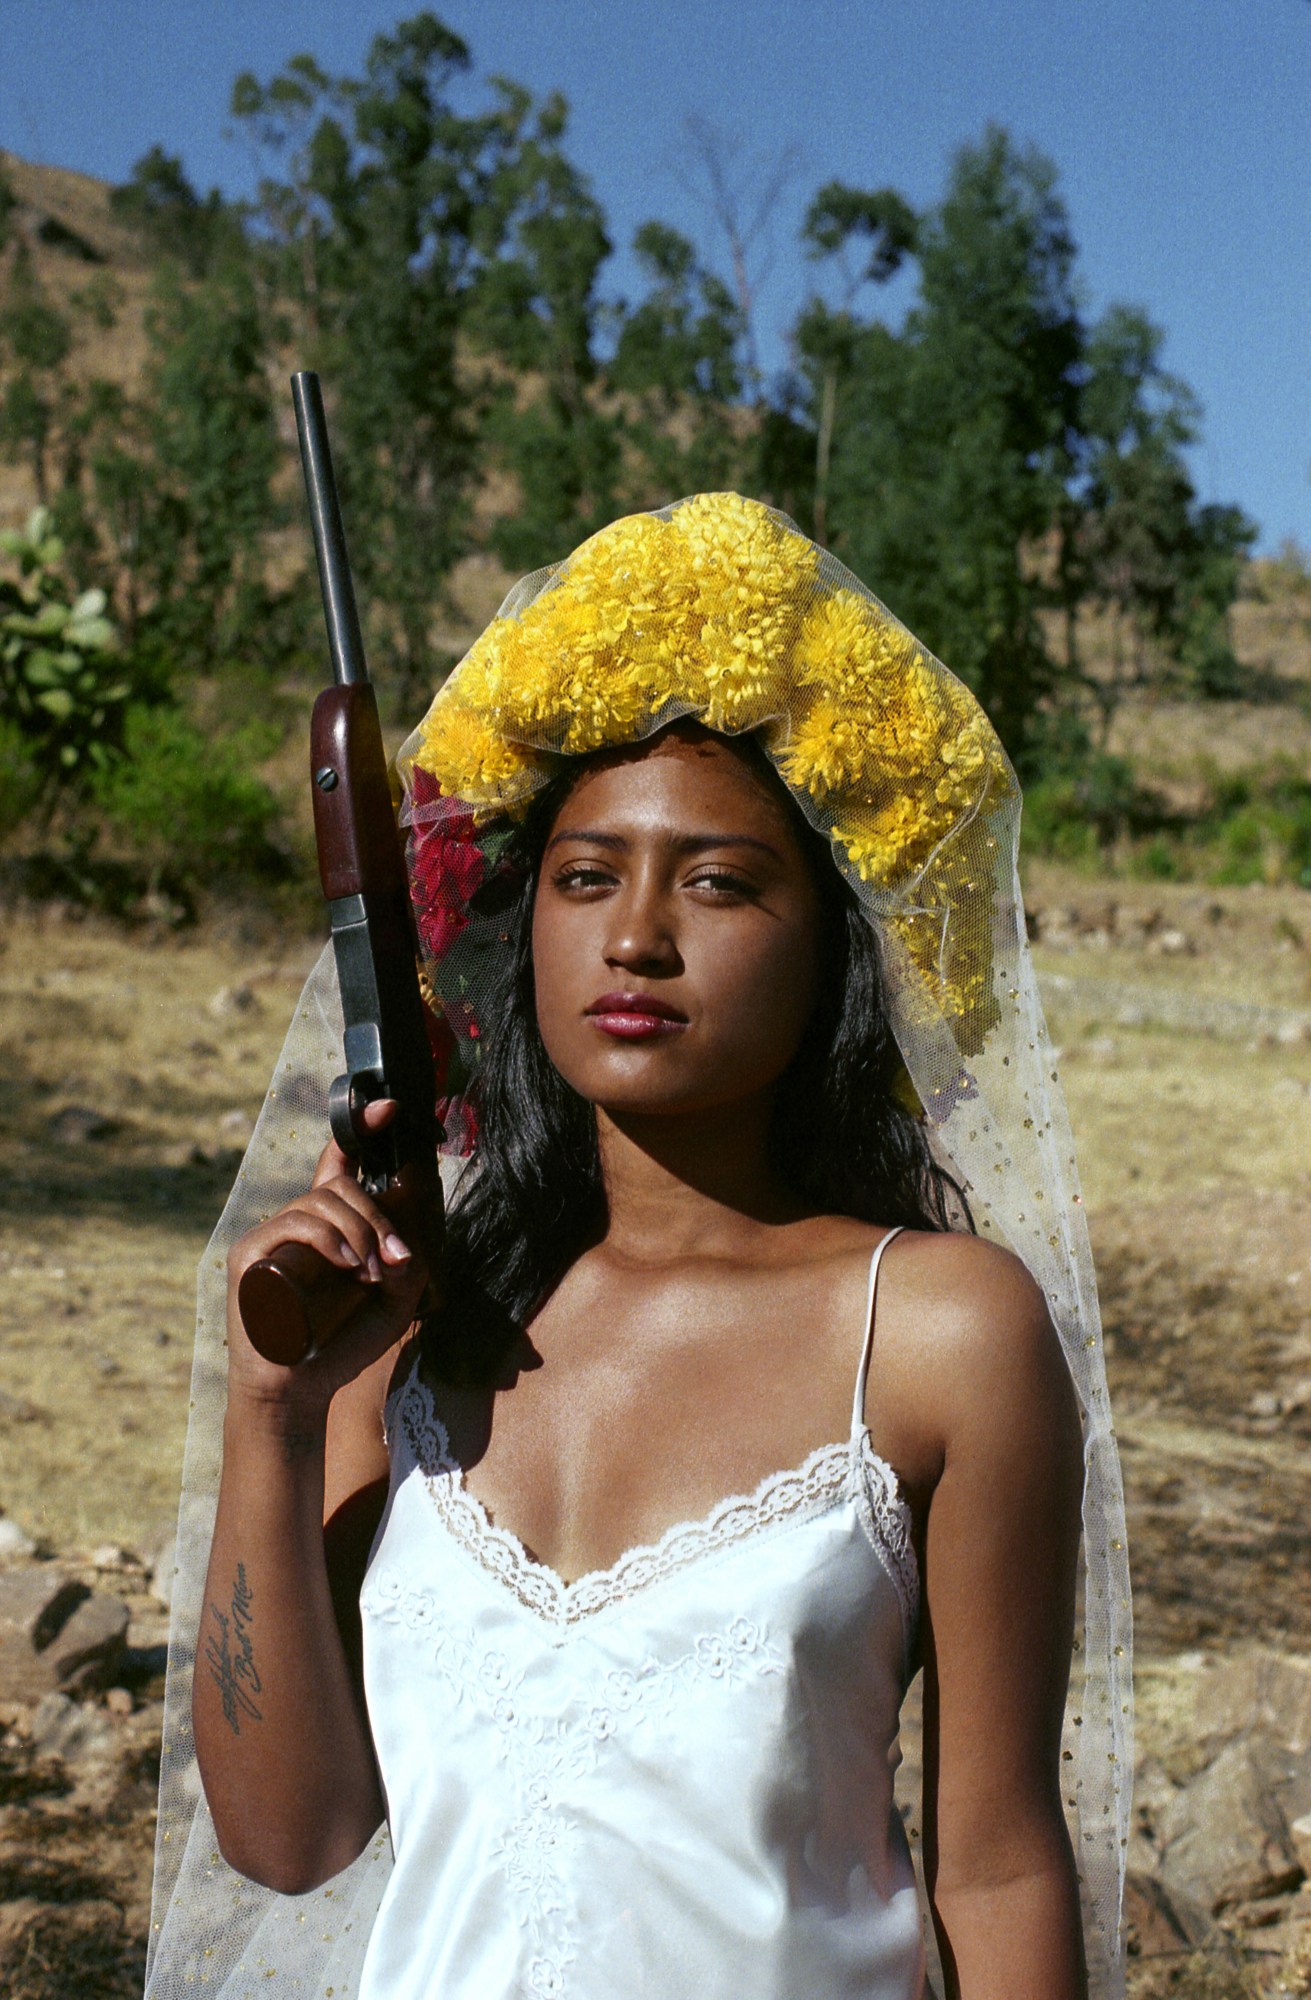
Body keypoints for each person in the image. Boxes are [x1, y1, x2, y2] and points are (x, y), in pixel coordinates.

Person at [145, 494, 1132, 2000]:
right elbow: (291, 1839)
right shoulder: (403, 1330)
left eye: (720, 882)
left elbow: (996, 1862)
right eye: (587, 876)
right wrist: (275, 1419)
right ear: (517, 923)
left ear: (837, 952)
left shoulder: (937, 1334)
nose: (638, 938)